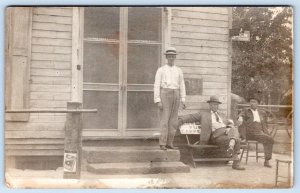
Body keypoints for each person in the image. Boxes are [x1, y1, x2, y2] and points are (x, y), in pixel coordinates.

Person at [178, 95, 245, 170]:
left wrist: (230, 126)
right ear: (210, 105)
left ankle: (231, 147)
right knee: (234, 134)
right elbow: (191, 117)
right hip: (215, 136)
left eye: (217, 105)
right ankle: (234, 156)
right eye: (214, 104)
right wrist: (180, 120)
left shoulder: (222, 115)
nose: (216, 106)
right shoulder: (203, 114)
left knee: (236, 137)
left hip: (224, 136)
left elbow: (230, 123)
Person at [154, 47, 186, 150]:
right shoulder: (161, 70)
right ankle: (162, 143)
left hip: (176, 93)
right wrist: (158, 100)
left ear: (175, 57)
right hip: (165, 93)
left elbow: (182, 85)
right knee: (164, 120)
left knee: (173, 121)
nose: (171, 58)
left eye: (173, 56)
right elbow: (156, 85)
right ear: (166, 58)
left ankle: (170, 143)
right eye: (169, 56)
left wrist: (183, 99)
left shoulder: (179, 70)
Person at [237, 94, 274, 168]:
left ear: (258, 104)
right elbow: (241, 115)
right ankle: (243, 138)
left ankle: (267, 160)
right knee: (242, 122)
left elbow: (264, 125)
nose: (252, 103)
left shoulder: (262, 113)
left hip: (259, 133)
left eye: (254, 102)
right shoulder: (246, 111)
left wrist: (267, 133)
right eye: (251, 101)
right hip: (249, 133)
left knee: (269, 139)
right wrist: (240, 117)